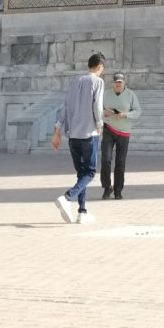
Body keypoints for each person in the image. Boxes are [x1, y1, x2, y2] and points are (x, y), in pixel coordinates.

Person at [51, 51, 105, 223]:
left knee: (81, 173)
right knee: (89, 173)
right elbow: (98, 106)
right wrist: (100, 124)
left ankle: (82, 211)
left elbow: (65, 107)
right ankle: (67, 197)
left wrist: (57, 130)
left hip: (73, 135)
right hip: (89, 134)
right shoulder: (98, 81)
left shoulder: (75, 81)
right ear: (99, 67)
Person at [100, 71, 141, 200]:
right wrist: (103, 113)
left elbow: (138, 111)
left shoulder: (130, 95)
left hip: (124, 132)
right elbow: (97, 110)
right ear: (113, 83)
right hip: (108, 129)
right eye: (116, 82)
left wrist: (126, 115)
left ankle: (118, 190)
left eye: (120, 82)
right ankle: (107, 188)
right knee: (105, 160)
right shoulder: (105, 94)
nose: (117, 84)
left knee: (120, 162)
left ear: (124, 83)